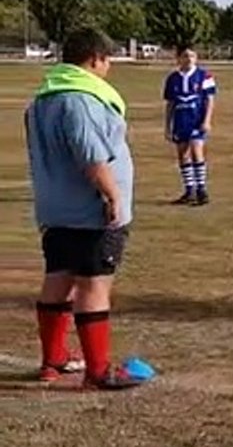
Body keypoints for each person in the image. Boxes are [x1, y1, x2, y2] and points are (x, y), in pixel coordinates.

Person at [26, 27, 147, 389]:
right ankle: (98, 370)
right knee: (94, 284)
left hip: (56, 208)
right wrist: (111, 195)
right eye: (108, 60)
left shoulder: (42, 100)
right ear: (95, 59)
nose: (109, 67)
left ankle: (53, 359)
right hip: (89, 212)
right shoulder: (79, 99)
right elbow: (89, 154)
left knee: (58, 278)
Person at [163, 47, 217, 205]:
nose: (189, 59)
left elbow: (210, 100)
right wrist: (167, 126)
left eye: (192, 56)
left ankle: (201, 190)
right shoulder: (172, 78)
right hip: (181, 121)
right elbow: (170, 104)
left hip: (196, 120)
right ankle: (189, 190)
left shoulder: (204, 76)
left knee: (196, 151)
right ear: (179, 58)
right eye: (185, 56)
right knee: (183, 155)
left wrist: (207, 120)